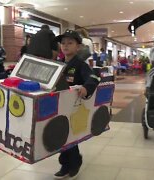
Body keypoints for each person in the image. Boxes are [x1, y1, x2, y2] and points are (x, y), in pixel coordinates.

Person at [54, 29, 99, 179]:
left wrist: (86, 88)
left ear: (78, 47)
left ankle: (74, 163)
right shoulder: (58, 64)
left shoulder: (80, 65)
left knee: (70, 137)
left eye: (70, 43)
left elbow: (93, 78)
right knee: (61, 136)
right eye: (63, 43)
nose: (65, 46)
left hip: (74, 108)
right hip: (59, 106)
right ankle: (64, 164)